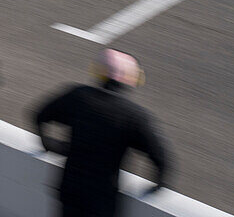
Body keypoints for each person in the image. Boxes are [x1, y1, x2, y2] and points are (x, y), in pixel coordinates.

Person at [33, 49, 169, 217]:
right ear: (132, 78)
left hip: (70, 190)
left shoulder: (77, 96)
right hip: (102, 200)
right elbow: (161, 158)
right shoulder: (134, 116)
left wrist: (49, 144)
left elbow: (39, 115)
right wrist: (158, 183)